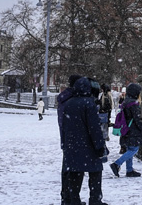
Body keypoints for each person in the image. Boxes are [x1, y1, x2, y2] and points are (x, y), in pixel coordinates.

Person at [62, 77, 107, 205]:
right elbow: (94, 128)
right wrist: (99, 146)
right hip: (89, 146)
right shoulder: (89, 103)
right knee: (95, 173)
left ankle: (73, 200)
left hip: (72, 146)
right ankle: (95, 200)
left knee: (75, 175)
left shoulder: (69, 103)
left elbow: (65, 126)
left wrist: (66, 144)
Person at [58, 75, 83, 205]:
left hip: (66, 137)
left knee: (67, 168)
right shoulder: (73, 99)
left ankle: (66, 197)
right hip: (74, 137)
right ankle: (71, 198)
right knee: (74, 170)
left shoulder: (64, 98)